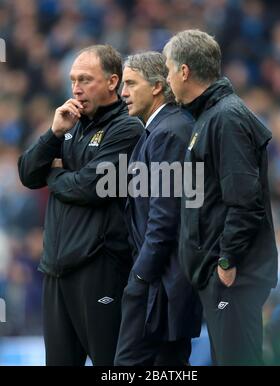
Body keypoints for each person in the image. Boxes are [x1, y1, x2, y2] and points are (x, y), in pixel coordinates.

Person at [18, 45, 144, 366]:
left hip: (99, 268)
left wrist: (56, 175)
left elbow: (91, 187)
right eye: (74, 79)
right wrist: (53, 133)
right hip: (56, 270)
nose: (76, 88)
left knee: (111, 365)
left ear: (113, 81)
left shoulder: (127, 128)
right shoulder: (69, 123)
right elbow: (29, 174)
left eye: (86, 79)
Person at [163, 30, 278, 366]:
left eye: (169, 70)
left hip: (233, 277)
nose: (168, 79)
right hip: (220, 275)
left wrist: (226, 261)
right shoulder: (210, 116)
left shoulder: (226, 118)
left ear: (184, 72)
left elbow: (245, 200)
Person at [114, 51, 202, 366]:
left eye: (130, 84)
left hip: (161, 283)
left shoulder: (169, 132)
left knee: (130, 365)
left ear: (156, 87)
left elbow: (165, 218)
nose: (122, 93)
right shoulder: (161, 129)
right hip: (162, 280)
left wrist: (140, 276)